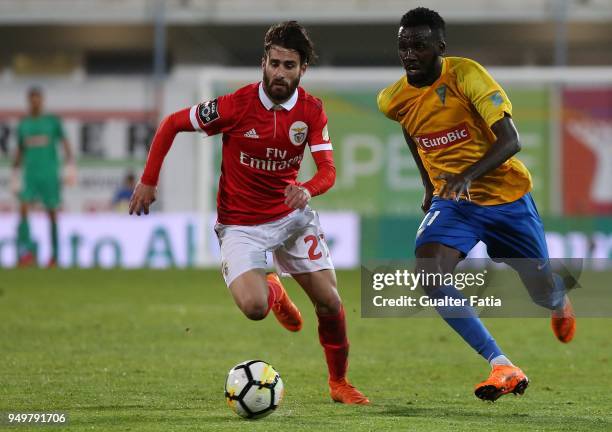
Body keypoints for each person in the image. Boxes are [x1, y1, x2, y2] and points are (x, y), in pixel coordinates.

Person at [129, 21, 369, 405]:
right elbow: (172, 123)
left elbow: (328, 170)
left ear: (302, 69)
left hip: (291, 220)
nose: (279, 73)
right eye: (274, 63)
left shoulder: (311, 111)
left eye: (288, 66)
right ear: (263, 62)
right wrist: (148, 180)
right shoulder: (235, 105)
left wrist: (306, 189)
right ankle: (273, 290)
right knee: (255, 309)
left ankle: (339, 383)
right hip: (240, 225)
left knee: (330, 302)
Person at [377, 7, 576, 402]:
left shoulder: (466, 75)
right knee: (429, 273)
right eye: (403, 46)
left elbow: (511, 140)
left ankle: (558, 298)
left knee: (540, 292)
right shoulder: (393, 99)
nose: (409, 54)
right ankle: (501, 363)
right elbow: (412, 130)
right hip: (455, 204)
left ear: (440, 47)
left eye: (419, 45)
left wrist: (466, 174)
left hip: (507, 199)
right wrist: (428, 185)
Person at [11, 86, 76, 268]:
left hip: (49, 174)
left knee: (52, 212)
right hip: (30, 174)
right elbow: (20, 151)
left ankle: (54, 257)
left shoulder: (52, 122)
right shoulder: (24, 125)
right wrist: (15, 174)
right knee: (23, 208)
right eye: (32, 99)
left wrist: (70, 167)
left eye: (38, 98)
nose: (35, 102)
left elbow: (65, 144)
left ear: (42, 100)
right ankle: (26, 254)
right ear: (28, 101)